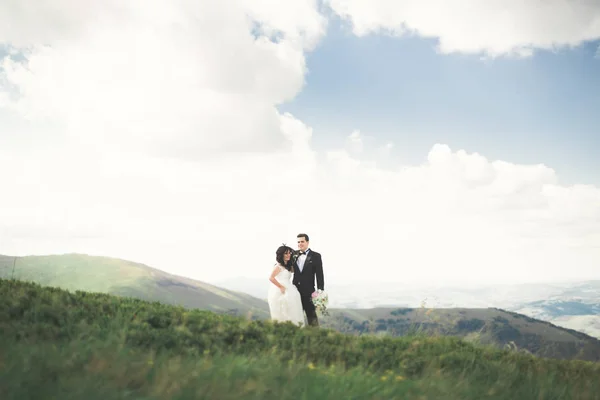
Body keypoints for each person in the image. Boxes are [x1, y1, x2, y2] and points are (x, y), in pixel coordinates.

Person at [267, 245, 305, 327]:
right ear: (281, 255)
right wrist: (280, 287)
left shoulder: (288, 266)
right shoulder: (278, 266)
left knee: (293, 308)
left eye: (289, 253)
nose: (288, 255)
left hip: (289, 288)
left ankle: (295, 326)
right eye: (286, 253)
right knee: (282, 310)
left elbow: (297, 270)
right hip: (280, 289)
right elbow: (271, 278)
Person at [292, 233, 324, 327]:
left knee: (312, 318)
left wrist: (320, 292)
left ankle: (316, 337)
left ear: (307, 242)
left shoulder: (316, 256)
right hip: (295, 291)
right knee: (296, 316)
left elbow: (319, 275)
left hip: (309, 292)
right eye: (298, 242)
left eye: (302, 241)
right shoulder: (293, 254)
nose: (300, 244)